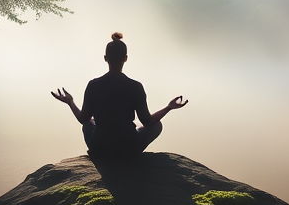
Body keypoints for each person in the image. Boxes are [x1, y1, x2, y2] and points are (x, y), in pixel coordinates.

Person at [51, 32, 187, 157]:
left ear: (105, 58)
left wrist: (70, 102)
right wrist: (168, 107)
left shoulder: (94, 85)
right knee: (157, 125)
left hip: (99, 147)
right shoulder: (135, 86)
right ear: (125, 58)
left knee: (88, 123)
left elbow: (83, 118)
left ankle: (100, 153)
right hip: (128, 147)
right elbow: (148, 121)